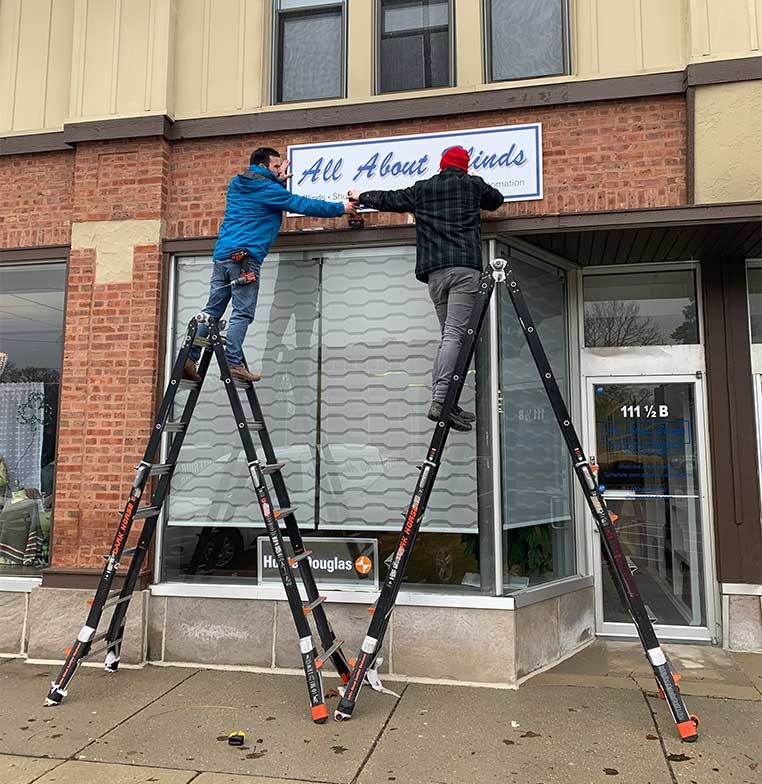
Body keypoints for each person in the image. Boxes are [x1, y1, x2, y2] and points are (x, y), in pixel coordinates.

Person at [348, 145, 503, 432]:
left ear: (442, 165)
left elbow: (389, 199)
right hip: (463, 271)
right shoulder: (472, 185)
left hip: (435, 276)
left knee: (450, 338)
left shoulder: (423, 189)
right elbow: (496, 201)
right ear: (464, 166)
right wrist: (476, 187)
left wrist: (361, 196)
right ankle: (442, 398)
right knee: (456, 337)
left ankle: (447, 401)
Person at [185, 147, 357, 383]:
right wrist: (341, 208)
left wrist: (277, 182)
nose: (280, 170)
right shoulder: (267, 189)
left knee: (212, 311)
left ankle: (189, 357)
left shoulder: (238, 183)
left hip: (222, 256)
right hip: (244, 259)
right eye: (277, 166)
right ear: (265, 167)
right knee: (242, 311)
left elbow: (263, 203)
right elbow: (300, 204)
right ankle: (233, 362)